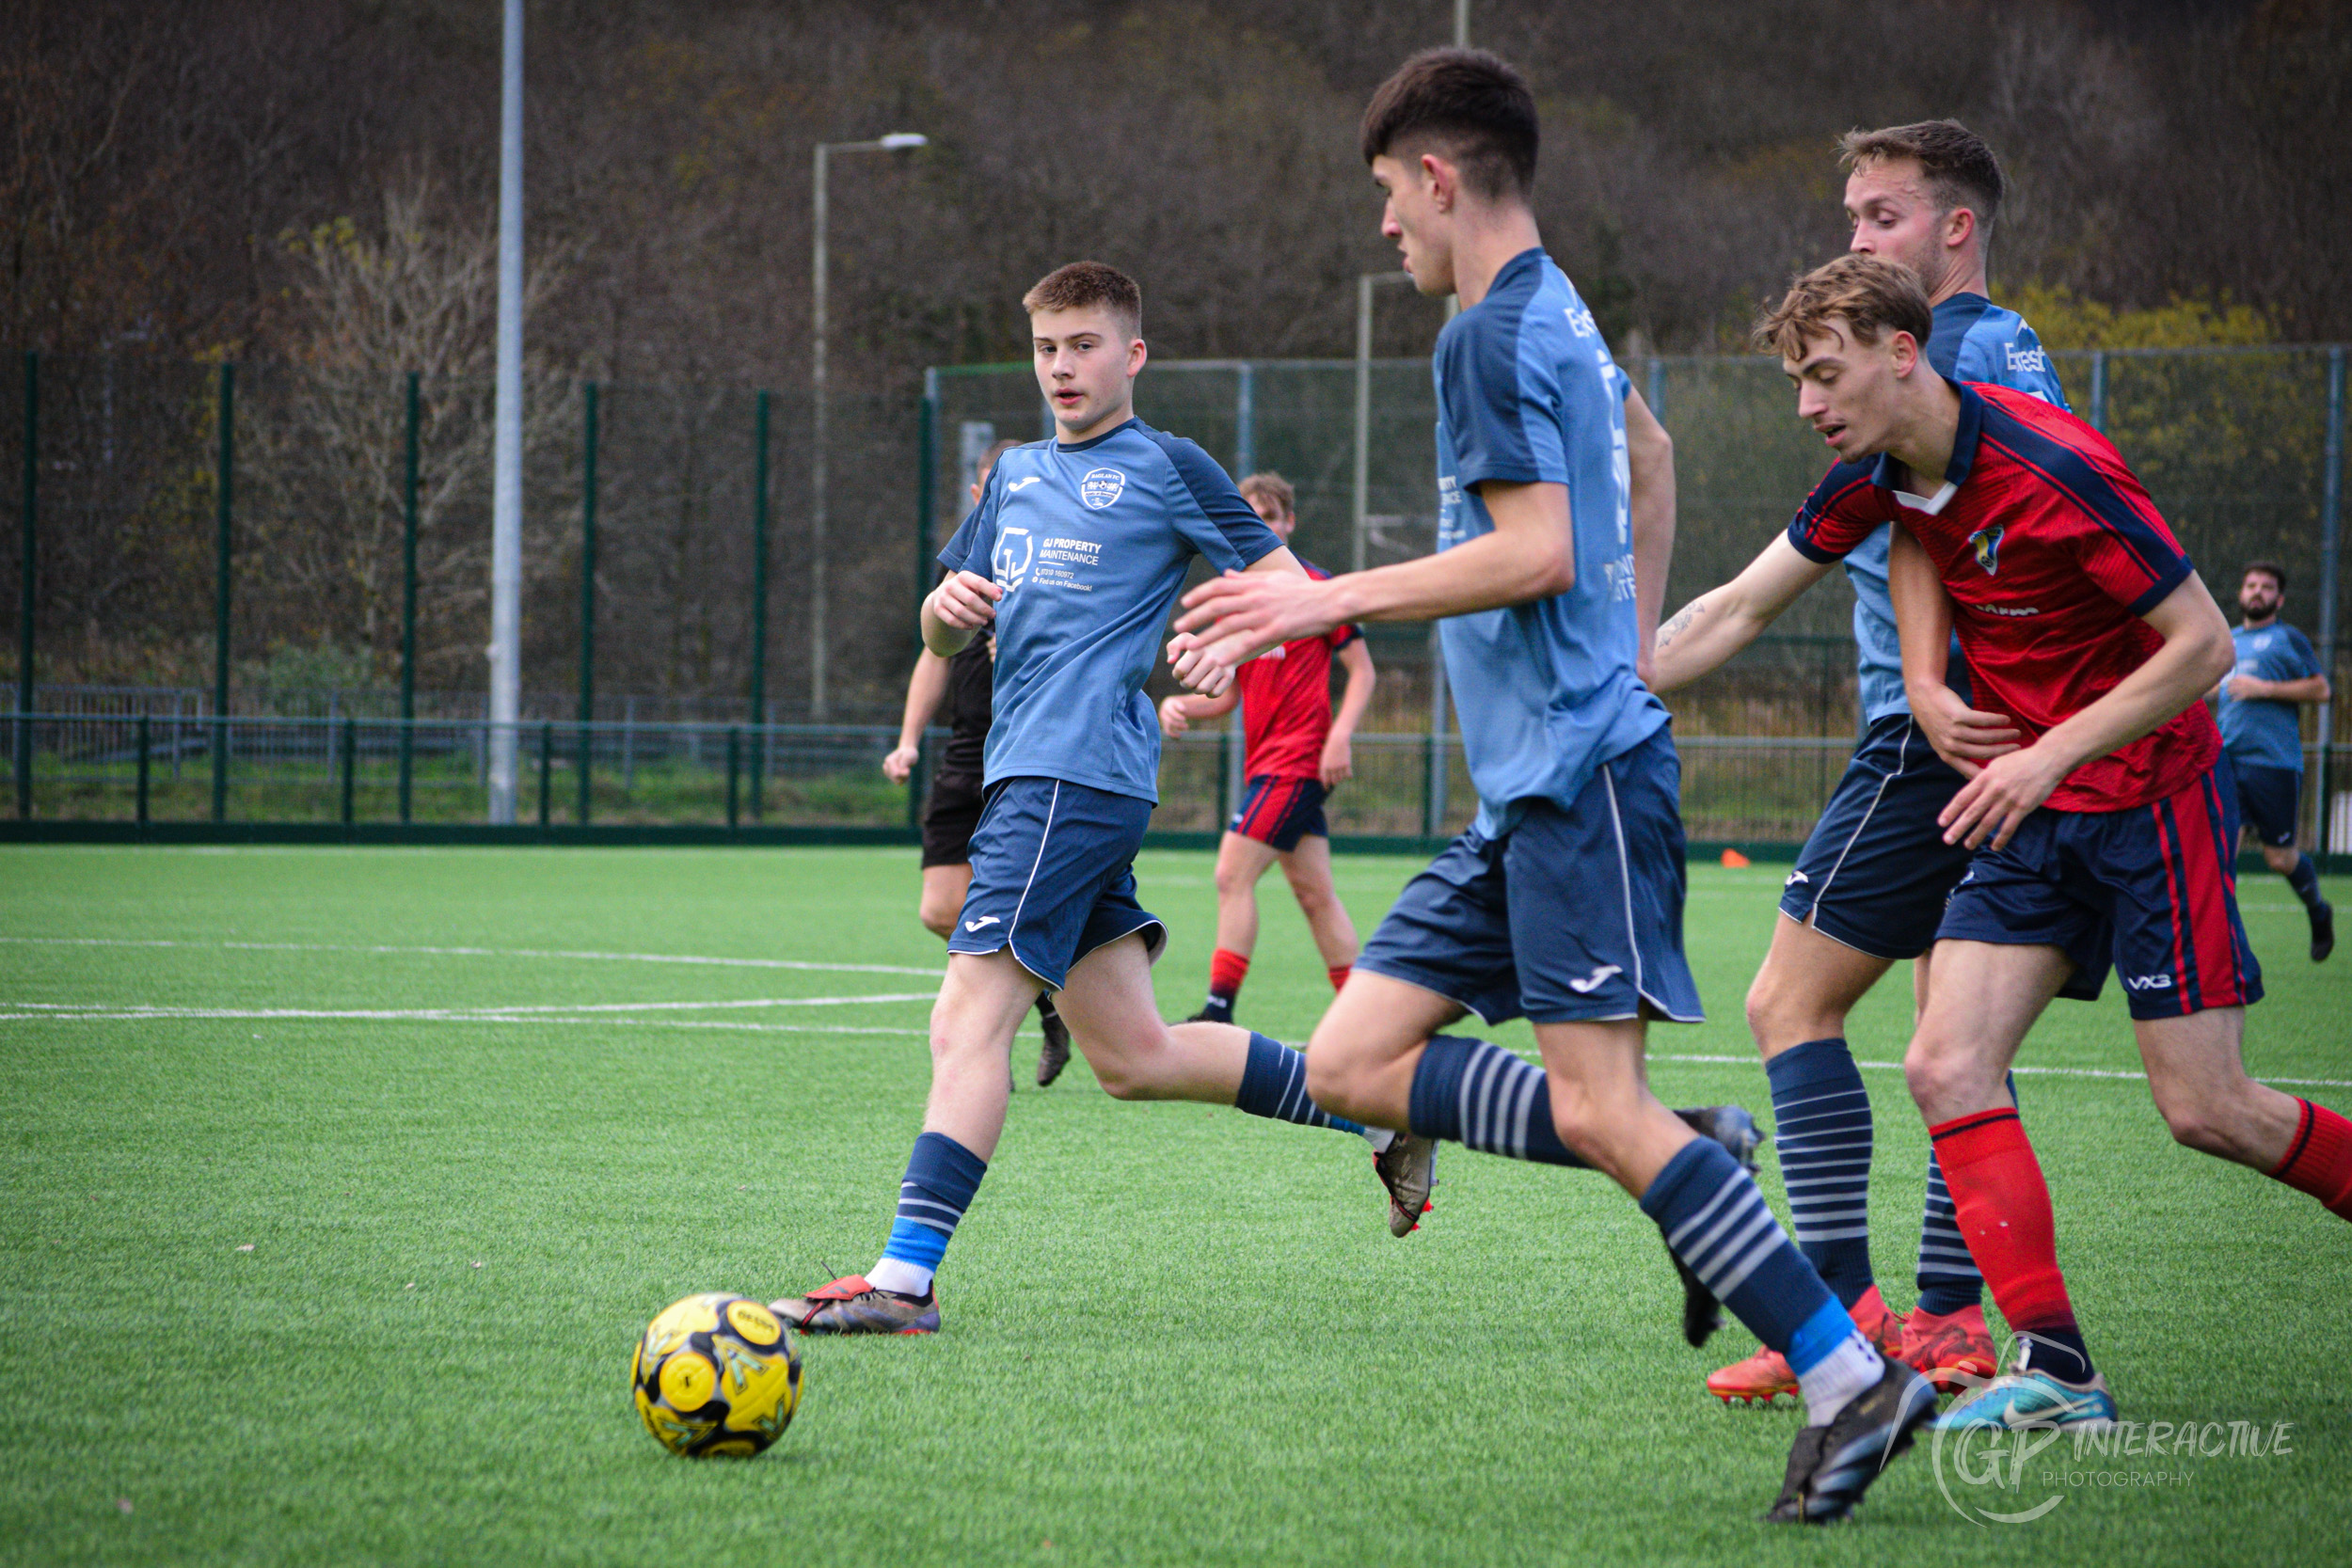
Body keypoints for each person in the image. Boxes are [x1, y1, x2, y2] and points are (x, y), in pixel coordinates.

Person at [1172, 52, 1931, 1524]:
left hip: (1579, 785)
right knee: (1351, 1060)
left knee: (1595, 1106)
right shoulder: (1562, 308)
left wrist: (1324, 599)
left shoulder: (1485, 332)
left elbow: (1534, 549)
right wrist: (1630, 650)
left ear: (1438, 178)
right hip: (1535, 790)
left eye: (1389, 195)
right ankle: (1681, 1146)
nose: (1386, 226)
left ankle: (1851, 1374)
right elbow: (1648, 454)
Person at [771, 261, 1437, 1336]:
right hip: (1032, 774)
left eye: (1084, 345)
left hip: (1069, 776)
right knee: (1135, 1056)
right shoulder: (1014, 475)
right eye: (1046, 347)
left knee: (966, 1017)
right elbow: (941, 630)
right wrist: (944, 609)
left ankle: (904, 1281)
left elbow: (1295, 588)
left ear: (1132, 355)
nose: (1062, 367)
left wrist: (1233, 643)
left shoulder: (1168, 464)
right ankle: (1379, 1109)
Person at [1760, 253, 2352, 1434]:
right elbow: (1867, 555)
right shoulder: (1887, 474)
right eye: (1797, 382)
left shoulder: (2056, 466)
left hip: (2152, 796)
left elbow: (2202, 645)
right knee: (1944, 1063)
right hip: (2033, 811)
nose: (1808, 403)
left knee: (2208, 1107)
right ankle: (2059, 1367)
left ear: (1902, 354)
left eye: (1823, 374)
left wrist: (2044, 754)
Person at [1647, 120, 2068, 1404]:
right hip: (2003, 737)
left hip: (1939, 742)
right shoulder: (1984, 356)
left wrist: (1935, 686)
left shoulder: (1957, 354)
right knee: (1957, 1041)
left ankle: (1836, 1320)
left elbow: (1979, 525)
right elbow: (1752, 597)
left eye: (1883, 215)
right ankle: (1945, 1323)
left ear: (1957, 227)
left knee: (1788, 1003)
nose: (1859, 237)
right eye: (1852, 217)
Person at [883, 436, 1075, 1087]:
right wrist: (908, 739)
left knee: (1009, 912)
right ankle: (1048, 1009)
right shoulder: (967, 565)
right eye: (995, 484)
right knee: (941, 909)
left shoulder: (1058, 557)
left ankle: (982, 1042)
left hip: (1025, 757)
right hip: (966, 754)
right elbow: (934, 652)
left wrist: (1023, 655)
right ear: (979, 493)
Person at [1158, 470, 1375, 1026]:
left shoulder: (1315, 587)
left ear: (1289, 523)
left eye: (1271, 518)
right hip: (1268, 764)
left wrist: (1340, 737)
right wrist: (1184, 705)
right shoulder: (1239, 600)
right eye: (1250, 518)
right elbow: (1228, 693)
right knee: (1315, 895)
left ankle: (1218, 1010)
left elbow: (1363, 671)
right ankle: (1363, 1019)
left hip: (1297, 761)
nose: (1262, 527)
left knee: (1231, 875)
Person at [2216, 561, 2334, 960]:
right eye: (2251, 585)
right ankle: (2224, 948)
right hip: (2227, 760)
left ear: (2279, 599)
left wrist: (2264, 688)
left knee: (2279, 858)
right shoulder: (2227, 641)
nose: (2257, 592)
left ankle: (2318, 911)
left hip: (2274, 764)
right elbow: (2214, 688)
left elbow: (2321, 690)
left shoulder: (2287, 638)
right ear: (2241, 593)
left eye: (2266, 587)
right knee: (2220, 854)